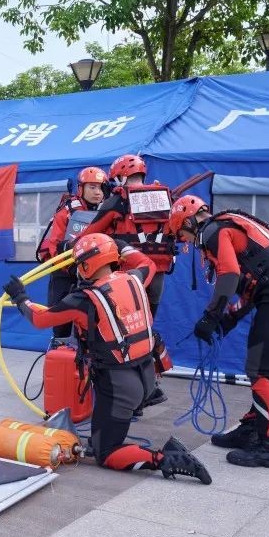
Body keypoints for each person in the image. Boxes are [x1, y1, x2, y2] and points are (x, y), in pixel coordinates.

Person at [3, 233, 212, 484]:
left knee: (106, 453)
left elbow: (41, 318)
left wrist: (20, 298)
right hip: (146, 377)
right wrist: (122, 246)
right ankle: (111, 436)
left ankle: (164, 458)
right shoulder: (134, 278)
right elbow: (147, 262)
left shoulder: (84, 300)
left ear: (86, 265)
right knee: (102, 433)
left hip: (119, 386)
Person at [167, 195, 269, 469]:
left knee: (261, 371)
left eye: (182, 236)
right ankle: (254, 428)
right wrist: (229, 319)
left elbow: (230, 275)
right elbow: (253, 285)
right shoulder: (228, 225)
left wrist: (211, 316)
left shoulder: (212, 231)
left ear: (187, 223)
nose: (186, 242)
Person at [83, 153, 175, 408]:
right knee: (144, 329)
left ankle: (128, 397)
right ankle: (150, 388)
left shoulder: (118, 200)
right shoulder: (163, 197)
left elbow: (91, 233)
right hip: (157, 277)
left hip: (128, 279)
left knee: (123, 334)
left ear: (121, 177)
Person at [35, 166, 108, 341]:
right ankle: (60, 347)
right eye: (92, 187)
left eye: (100, 188)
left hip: (94, 274)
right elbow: (55, 246)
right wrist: (72, 264)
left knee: (92, 319)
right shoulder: (67, 212)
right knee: (60, 317)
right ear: (81, 188)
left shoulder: (108, 210)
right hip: (65, 272)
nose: (97, 192)